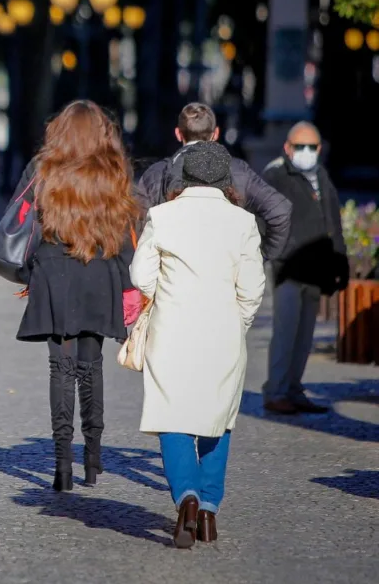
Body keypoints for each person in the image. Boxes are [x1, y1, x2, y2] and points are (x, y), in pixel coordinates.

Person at [130, 141, 266, 549]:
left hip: (172, 331)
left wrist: (165, 294)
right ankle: (208, 508)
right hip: (223, 333)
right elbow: (253, 288)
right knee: (217, 418)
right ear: (226, 181)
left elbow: (140, 275)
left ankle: (185, 496)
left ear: (183, 177)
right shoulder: (242, 223)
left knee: (172, 417)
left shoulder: (162, 215)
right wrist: (238, 321)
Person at [14, 100, 142, 492]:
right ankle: (92, 456)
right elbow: (125, 233)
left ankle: (61, 464)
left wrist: (29, 274)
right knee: (92, 364)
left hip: (54, 273)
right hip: (100, 272)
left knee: (61, 368)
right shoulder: (114, 172)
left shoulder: (43, 170)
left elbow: (23, 225)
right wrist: (129, 286)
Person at [261, 122, 347, 415]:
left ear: (320, 149)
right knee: (285, 333)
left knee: (304, 336)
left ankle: (294, 389)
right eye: (301, 147)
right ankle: (276, 391)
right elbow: (264, 220)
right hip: (288, 269)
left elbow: (332, 220)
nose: (307, 152)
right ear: (288, 147)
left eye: (312, 147)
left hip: (316, 269)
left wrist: (340, 260)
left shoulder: (320, 175)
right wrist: (276, 253)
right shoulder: (275, 175)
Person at [134, 102, 291, 261]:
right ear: (215, 133)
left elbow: (139, 227)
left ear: (178, 133)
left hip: (172, 276)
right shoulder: (238, 170)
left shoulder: (155, 174)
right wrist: (260, 256)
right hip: (227, 274)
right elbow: (280, 210)